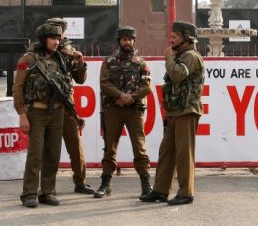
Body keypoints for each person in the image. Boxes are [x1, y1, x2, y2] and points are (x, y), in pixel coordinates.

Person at [13, 21, 82, 208]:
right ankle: (29, 193)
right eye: (53, 38)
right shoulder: (28, 59)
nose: (57, 42)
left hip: (57, 112)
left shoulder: (61, 58)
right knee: (35, 155)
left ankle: (48, 192)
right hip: (36, 113)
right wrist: (21, 114)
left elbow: (77, 78)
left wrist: (79, 60)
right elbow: (18, 88)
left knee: (53, 155)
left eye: (59, 38)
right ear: (44, 39)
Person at [140, 21, 205, 206]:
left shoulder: (191, 56)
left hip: (186, 111)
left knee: (184, 154)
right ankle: (160, 190)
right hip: (175, 112)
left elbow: (177, 75)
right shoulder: (181, 56)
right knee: (166, 152)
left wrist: (168, 58)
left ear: (186, 39)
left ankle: (186, 193)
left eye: (175, 37)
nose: (171, 39)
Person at [94, 26, 153, 198]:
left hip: (134, 110)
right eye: (124, 39)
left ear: (134, 41)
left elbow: (147, 87)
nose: (127, 42)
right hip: (113, 109)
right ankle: (105, 184)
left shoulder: (141, 63)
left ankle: (146, 184)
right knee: (110, 148)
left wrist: (129, 98)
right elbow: (104, 84)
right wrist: (120, 96)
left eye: (130, 39)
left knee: (139, 148)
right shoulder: (109, 61)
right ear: (119, 41)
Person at [45, 17, 95, 195]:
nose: (58, 34)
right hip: (47, 105)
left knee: (75, 145)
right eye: (54, 30)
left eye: (61, 30)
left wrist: (80, 63)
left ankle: (80, 182)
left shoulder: (69, 51)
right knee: (50, 149)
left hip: (66, 104)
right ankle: (48, 188)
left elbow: (80, 79)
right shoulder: (41, 50)